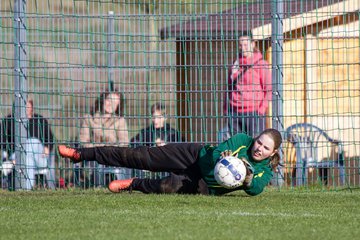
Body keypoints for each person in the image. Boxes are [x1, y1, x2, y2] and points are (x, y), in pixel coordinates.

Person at [58, 128, 282, 196]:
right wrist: (220, 158)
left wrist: (248, 180)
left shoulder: (266, 170)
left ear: (273, 153)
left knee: (165, 186)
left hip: (205, 184)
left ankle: (134, 184)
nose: (259, 148)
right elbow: (220, 151)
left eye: (265, 147)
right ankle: (81, 154)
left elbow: (256, 189)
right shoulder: (243, 140)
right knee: (139, 156)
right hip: (195, 155)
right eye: (259, 142)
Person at [78, 88, 130, 187]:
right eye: (109, 100)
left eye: (115, 102)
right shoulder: (89, 118)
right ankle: (94, 184)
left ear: (118, 105)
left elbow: (124, 142)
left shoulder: (120, 120)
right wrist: (98, 149)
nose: (111, 104)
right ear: (103, 100)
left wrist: (109, 150)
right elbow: (83, 141)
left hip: (113, 155)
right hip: (93, 155)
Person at [225, 30, 272, 138]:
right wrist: (226, 109)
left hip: (254, 112)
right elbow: (229, 87)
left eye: (245, 44)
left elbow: (268, 89)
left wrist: (261, 110)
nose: (243, 48)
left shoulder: (261, 64)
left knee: (254, 144)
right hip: (234, 112)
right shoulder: (235, 64)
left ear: (253, 44)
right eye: (240, 45)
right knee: (236, 145)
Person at [1, 99, 54, 189]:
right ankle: (28, 189)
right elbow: (3, 142)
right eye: (21, 106)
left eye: (27, 106)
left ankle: (25, 188)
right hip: (15, 156)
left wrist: (47, 147)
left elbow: (50, 139)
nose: (24, 108)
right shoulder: (8, 121)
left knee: (31, 142)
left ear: (32, 107)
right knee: (28, 157)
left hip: (39, 157)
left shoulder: (40, 120)